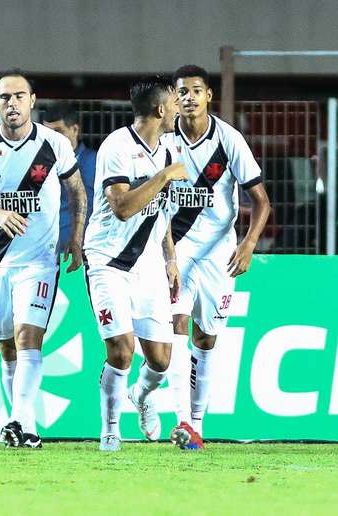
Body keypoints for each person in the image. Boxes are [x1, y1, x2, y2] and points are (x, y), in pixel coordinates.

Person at [0, 69, 87, 449]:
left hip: (39, 260)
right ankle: (18, 422)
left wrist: (76, 238)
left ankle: (23, 423)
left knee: (29, 336)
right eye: (4, 98)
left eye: (19, 96)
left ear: (32, 101)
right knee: (5, 345)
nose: (12, 103)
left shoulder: (54, 145)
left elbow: (78, 193)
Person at [165, 65, 271, 449]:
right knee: (175, 323)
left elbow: (261, 201)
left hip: (218, 254)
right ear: (173, 98)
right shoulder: (162, 140)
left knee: (205, 337)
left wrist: (248, 244)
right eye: (181, 92)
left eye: (196, 90)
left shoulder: (228, 140)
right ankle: (182, 421)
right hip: (174, 250)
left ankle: (197, 421)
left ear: (208, 95)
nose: (188, 98)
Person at [84, 75, 187, 452]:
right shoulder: (117, 146)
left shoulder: (169, 150)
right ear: (160, 109)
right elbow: (124, 207)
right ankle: (110, 431)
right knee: (122, 350)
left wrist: (170, 256)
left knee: (159, 362)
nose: (179, 107)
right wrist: (162, 177)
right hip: (107, 261)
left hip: (147, 267)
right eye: (175, 102)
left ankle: (141, 397)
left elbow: (160, 214)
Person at [42, 101, 97, 249]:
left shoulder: (95, 162)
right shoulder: (37, 166)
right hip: (45, 254)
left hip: (84, 252)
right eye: (47, 133)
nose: (52, 139)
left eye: (58, 132)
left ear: (75, 129)